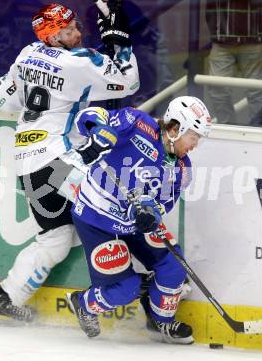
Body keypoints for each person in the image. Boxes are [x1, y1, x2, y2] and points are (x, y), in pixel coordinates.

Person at [0, 1, 139, 323]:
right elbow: (129, 82)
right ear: (53, 37)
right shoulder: (76, 62)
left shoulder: (28, 54)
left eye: (76, 26)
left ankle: (7, 297)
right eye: (69, 31)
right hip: (58, 160)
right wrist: (119, 38)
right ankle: (148, 282)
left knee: (56, 239)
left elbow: (2, 98)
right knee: (118, 205)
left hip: (29, 165)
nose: (78, 33)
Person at [67, 96, 212, 343]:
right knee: (125, 290)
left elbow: (165, 203)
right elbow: (87, 117)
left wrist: (152, 211)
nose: (194, 145)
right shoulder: (136, 123)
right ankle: (83, 303)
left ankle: (160, 323)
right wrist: (99, 131)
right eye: (193, 137)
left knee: (174, 266)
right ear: (176, 129)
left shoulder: (183, 170)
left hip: (134, 224)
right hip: (97, 219)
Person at [193, 0, 262, 124]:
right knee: (217, 89)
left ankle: (261, 129)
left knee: (256, 92)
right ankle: (228, 128)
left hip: (254, 37)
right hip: (222, 39)